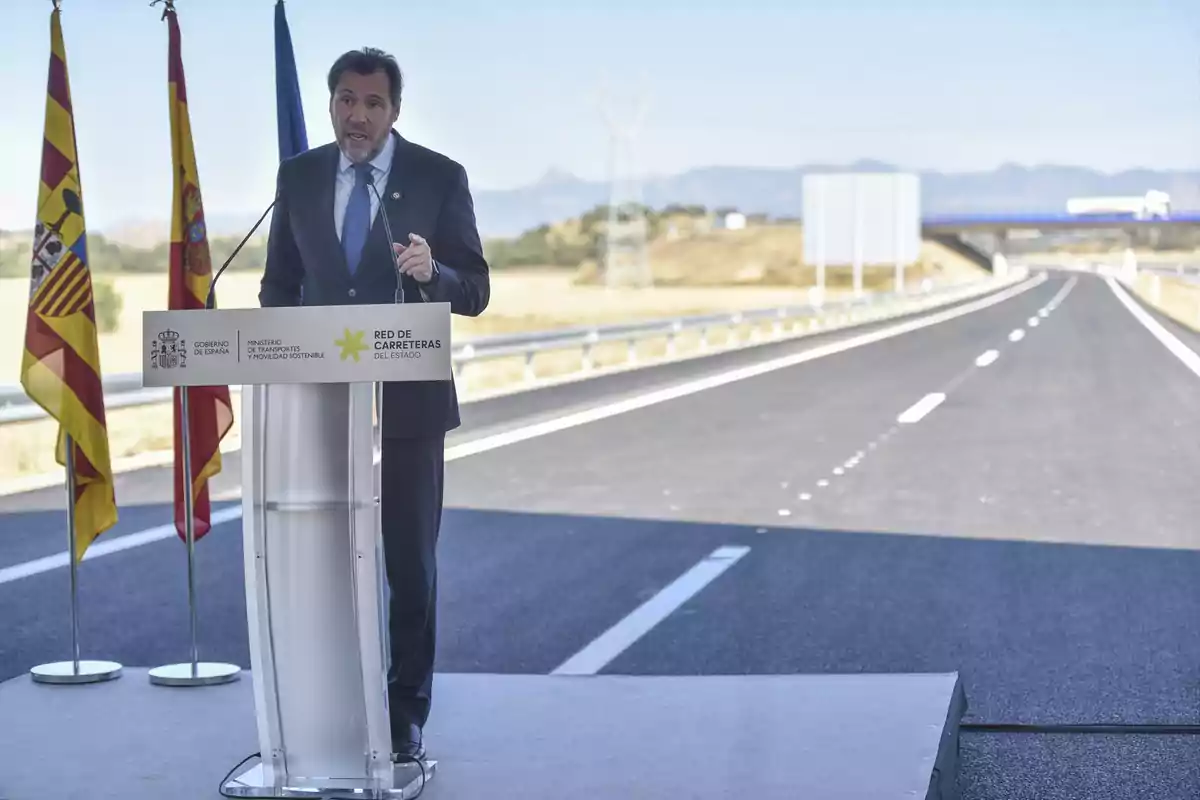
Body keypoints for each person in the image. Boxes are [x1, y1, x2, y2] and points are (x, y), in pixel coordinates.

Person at [259, 47, 490, 762]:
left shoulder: (437, 177)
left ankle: (405, 710)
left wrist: (434, 272)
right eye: (346, 101)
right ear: (331, 103)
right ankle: (328, 698)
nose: (357, 116)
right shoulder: (297, 177)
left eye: (373, 104)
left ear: (395, 111)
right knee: (322, 559)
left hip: (411, 405)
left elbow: (476, 288)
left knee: (409, 565)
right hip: (320, 408)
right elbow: (278, 288)